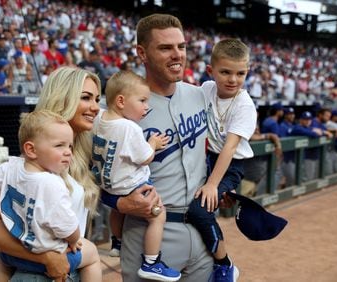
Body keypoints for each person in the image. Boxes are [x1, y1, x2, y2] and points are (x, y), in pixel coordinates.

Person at [100, 14, 235, 281]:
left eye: (181, 46)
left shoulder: (200, 95)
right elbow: (94, 180)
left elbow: (216, 150)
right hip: (150, 233)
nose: (177, 55)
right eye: (165, 48)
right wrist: (121, 202)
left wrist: (220, 186)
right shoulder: (121, 113)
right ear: (142, 52)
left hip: (202, 227)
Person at [0, 66, 102, 282]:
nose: (95, 107)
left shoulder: (76, 154)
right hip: (36, 272)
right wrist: (47, 258)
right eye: (86, 98)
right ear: (63, 99)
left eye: (97, 99)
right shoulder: (32, 163)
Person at [91, 70, 179, 281]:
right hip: (133, 188)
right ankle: (151, 262)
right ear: (121, 101)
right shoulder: (129, 127)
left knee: (116, 211)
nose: (146, 106)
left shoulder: (98, 117)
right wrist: (154, 144)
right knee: (159, 216)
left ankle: (117, 242)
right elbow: (145, 157)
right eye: (142, 100)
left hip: (107, 188)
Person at [186, 38, 256, 280]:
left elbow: (230, 148)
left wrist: (213, 184)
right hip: (206, 159)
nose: (233, 79)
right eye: (225, 72)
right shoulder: (205, 89)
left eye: (240, 73)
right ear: (210, 71)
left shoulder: (245, 105)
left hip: (229, 167)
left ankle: (225, 265)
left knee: (199, 210)